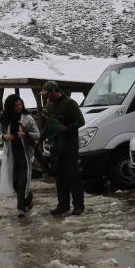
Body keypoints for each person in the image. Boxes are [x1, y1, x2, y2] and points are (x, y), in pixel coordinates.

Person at [41, 81, 86, 216]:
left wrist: (66, 128)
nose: (46, 97)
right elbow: (48, 125)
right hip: (56, 146)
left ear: (55, 91)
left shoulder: (70, 104)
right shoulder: (49, 105)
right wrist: (40, 139)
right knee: (59, 177)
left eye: (48, 93)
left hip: (69, 146)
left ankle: (78, 206)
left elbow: (81, 121)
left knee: (73, 176)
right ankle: (63, 205)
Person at [0, 94, 40, 217]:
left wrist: (25, 134)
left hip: (24, 154)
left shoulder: (27, 118)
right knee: (15, 182)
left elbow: (37, 134)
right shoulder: (5, 119)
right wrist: (5, 136)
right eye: (16, 105)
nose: (19, 107)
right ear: (10, 106)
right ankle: (28, 197)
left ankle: (21, 208)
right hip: (11, 154)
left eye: (20, 104)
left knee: (23, 181)